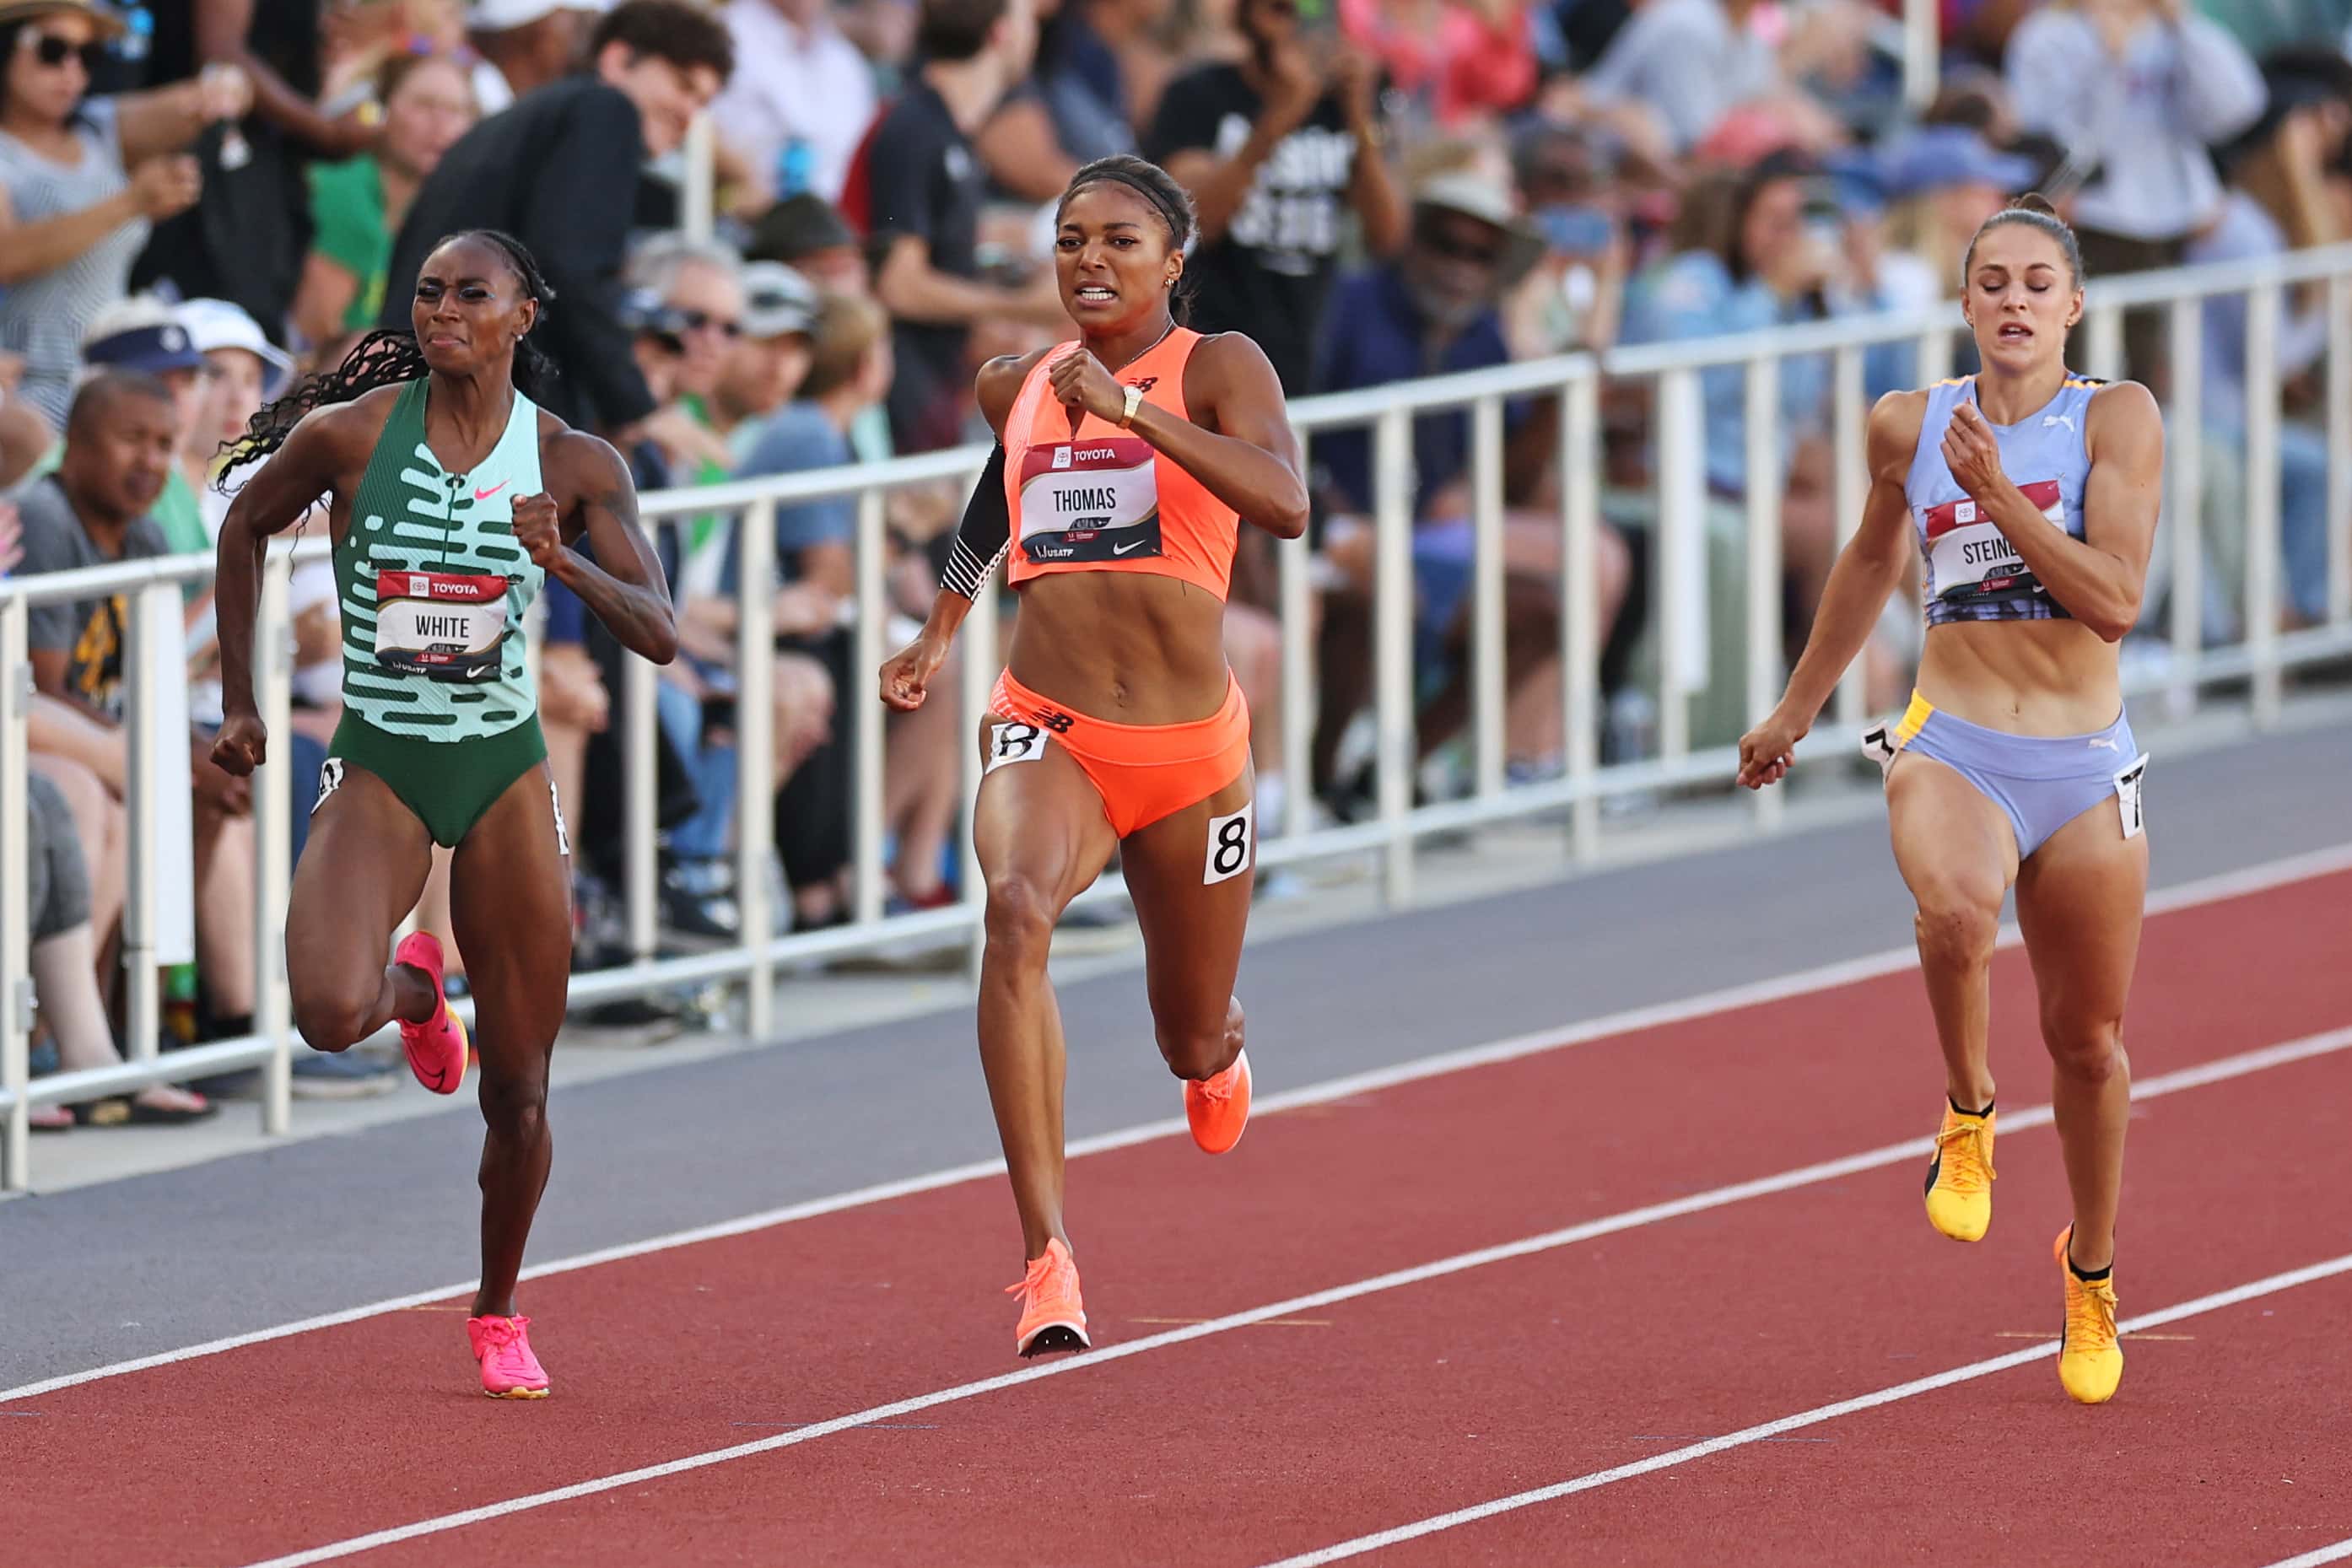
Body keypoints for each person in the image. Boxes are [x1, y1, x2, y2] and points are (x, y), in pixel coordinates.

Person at [209, 228, 679, 1398]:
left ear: (526, 314)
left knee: (518, 1085)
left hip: (504, 766)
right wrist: (242, 700)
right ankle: (419, 988)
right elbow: (243, 526)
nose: (443, 311)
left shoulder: (572, 462)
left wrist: (565, 566)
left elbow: (661, 631)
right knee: (325, 1007)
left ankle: (498, 1306)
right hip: (383, 755)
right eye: (428, 293)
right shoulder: (351, 436)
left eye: (473, 294)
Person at [1736, 196, 2164, 1407]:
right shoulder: (1909, 423)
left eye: (2039, 283)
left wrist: (2007, 498)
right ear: (1966, 302)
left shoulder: (2116, 419)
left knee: (2088, 1042)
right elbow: (1873, 559)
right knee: (1958, 913)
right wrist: (1795, 707)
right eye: (1993, 283)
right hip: (1954, 738)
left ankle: (2090, 1269)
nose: (2015, 301)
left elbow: (2116, 600)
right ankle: (1968, 1110)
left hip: (2084, 762)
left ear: (2072, 307)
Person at [878, 154, 1308, 1357]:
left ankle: (1213, 1049)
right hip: (1049, 726)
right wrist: (939, 630)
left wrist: (1137, 416)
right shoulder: (1014, 380)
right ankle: (1047, 1255)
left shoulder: (1218, 365)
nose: (1090, 261)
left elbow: (1285, 502)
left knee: (1189, 1029)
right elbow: (993, 499)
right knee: (1013, 909)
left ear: (1175, 258)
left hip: (1189, 755)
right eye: (1071, 240)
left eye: (1120, 240)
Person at [380, 0, 736, 439]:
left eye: (702, 100)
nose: (688, 112)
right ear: (618, 59)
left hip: (425, 399)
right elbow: (570, 266)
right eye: (682, 85)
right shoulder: (606, 111)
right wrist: (636, 404)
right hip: (478, 419)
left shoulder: (519, 124)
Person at [0, 0, 249, 426]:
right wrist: (130, 203)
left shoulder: (99, 127)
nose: (73, 71)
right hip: (27, 390)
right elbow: (8, 256)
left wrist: (227, 86)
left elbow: (201, 100)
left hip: (109, 382)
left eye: (89, 55)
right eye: (53, 51)